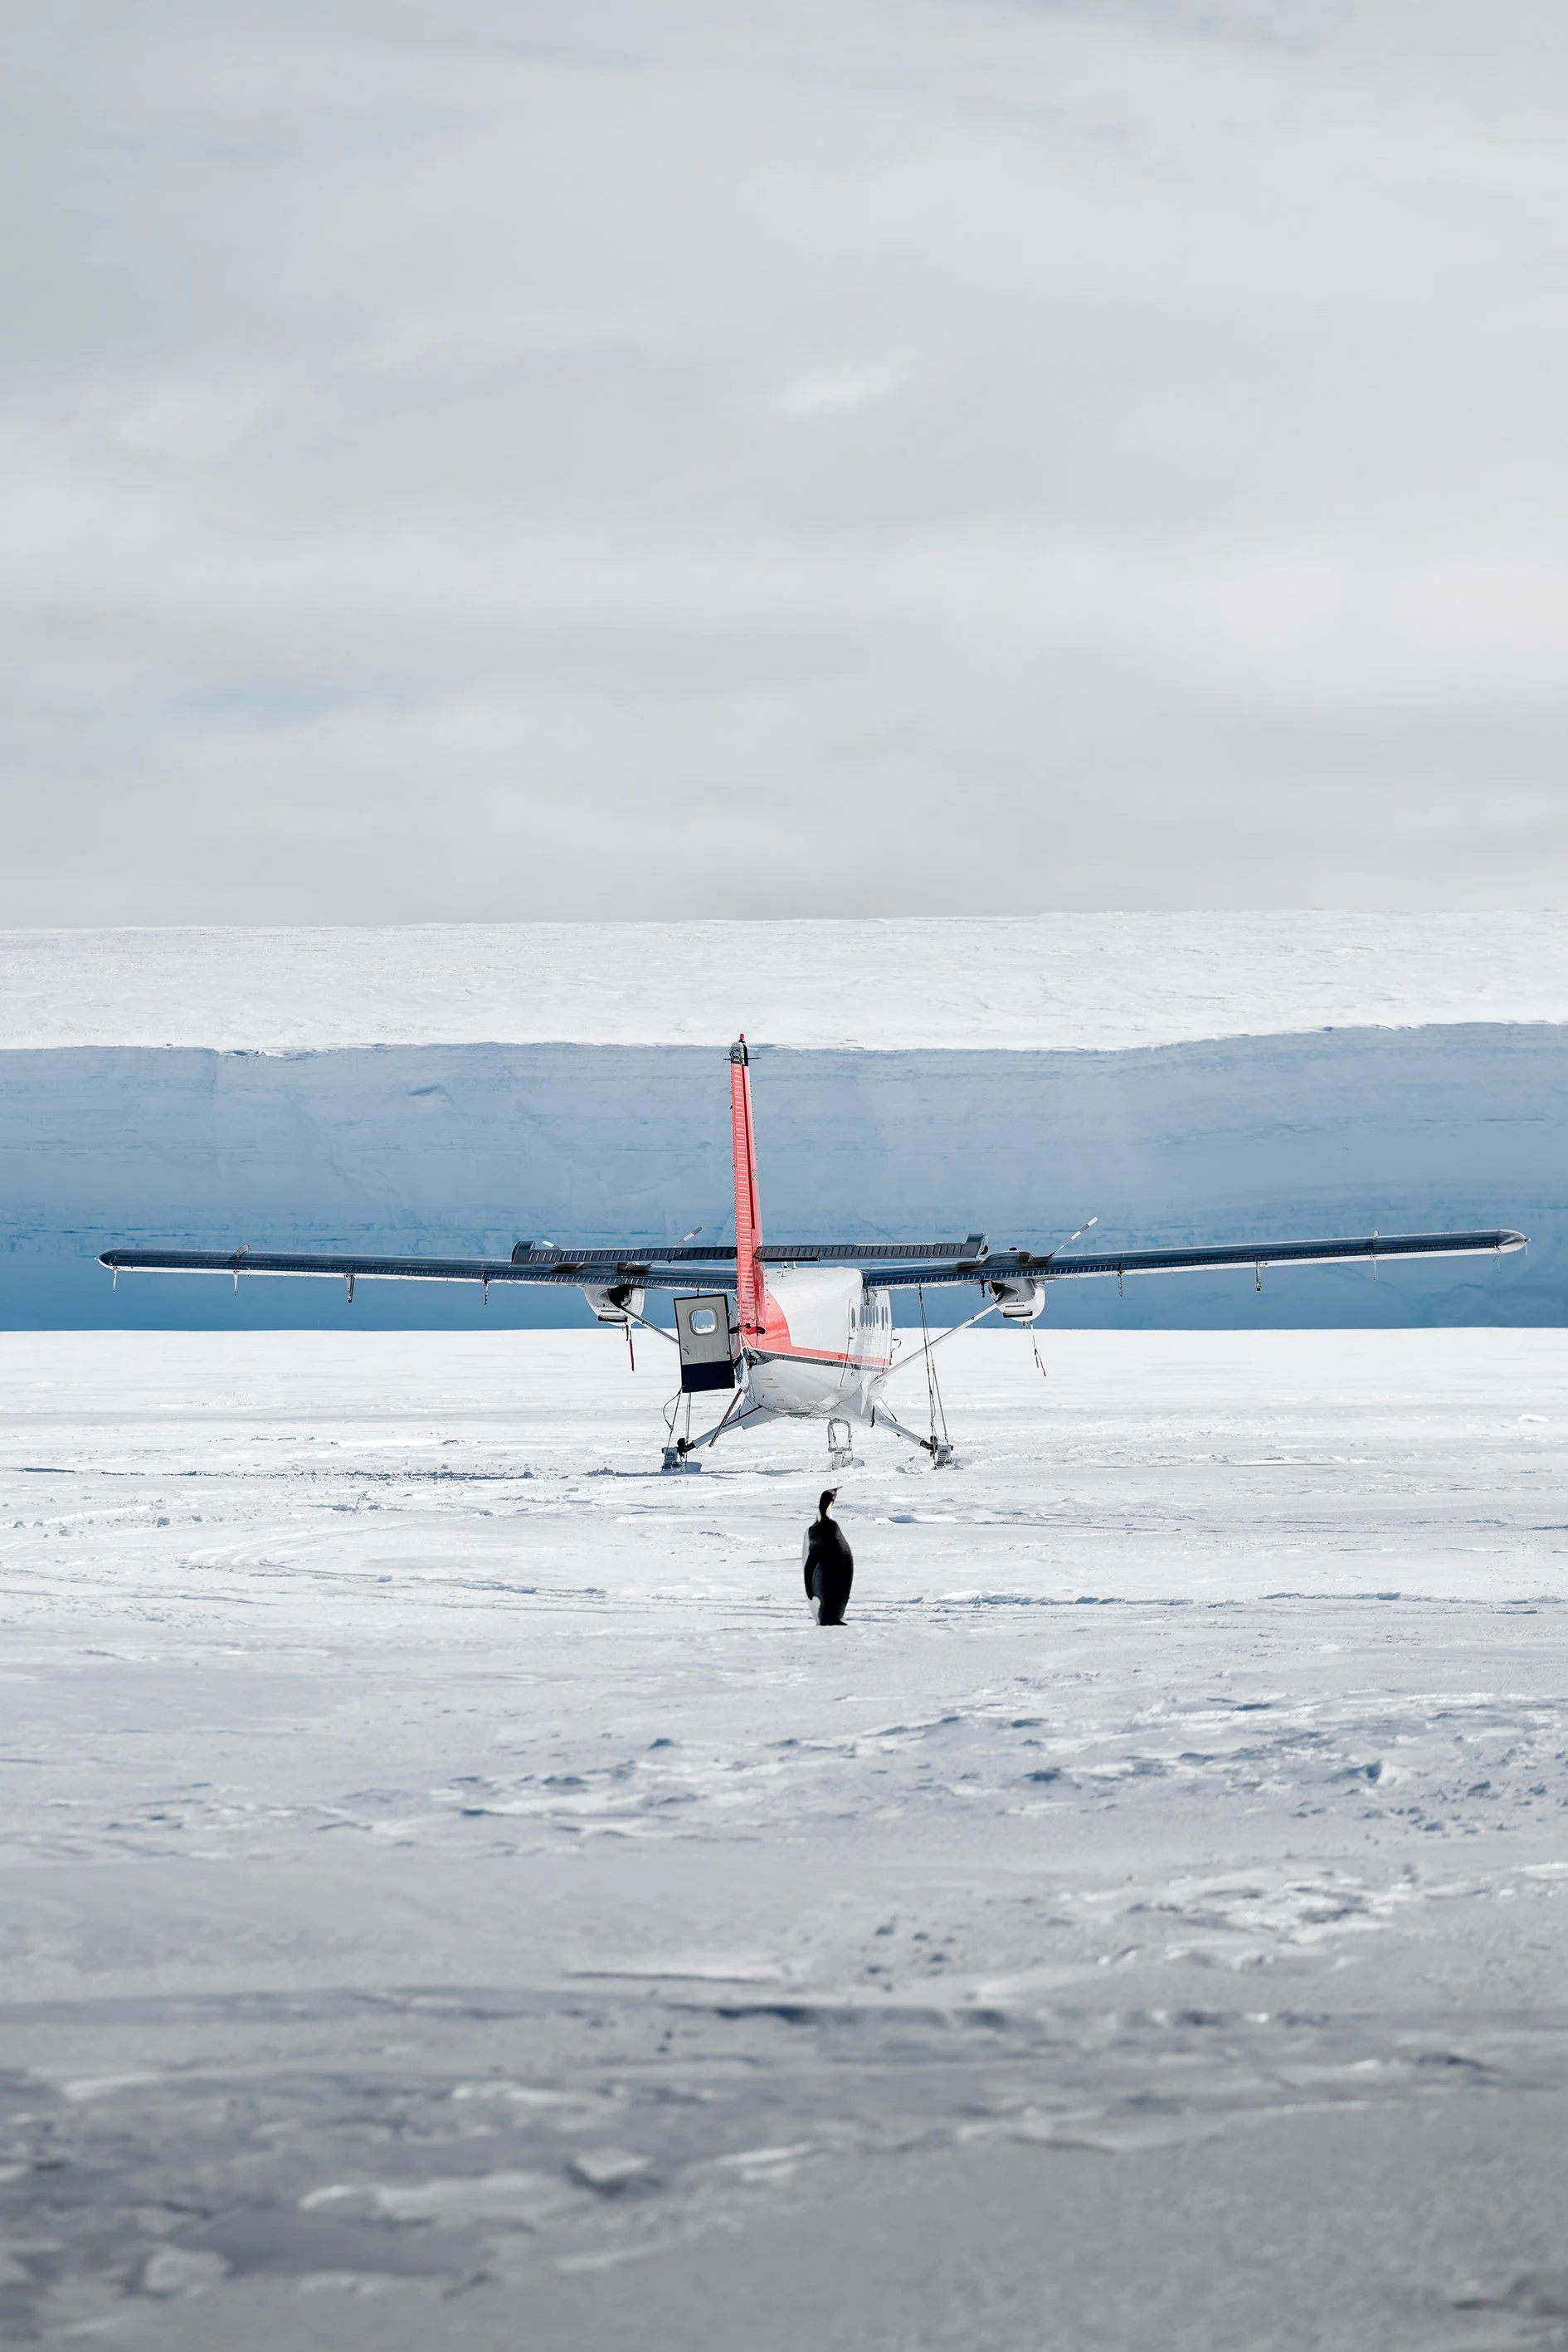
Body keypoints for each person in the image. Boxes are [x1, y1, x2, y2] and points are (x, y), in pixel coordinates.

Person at [802, 1488, 854, 1625]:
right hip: (826, 1602)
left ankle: (826, 1615)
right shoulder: (828, 1531)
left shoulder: (817, 1532)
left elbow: (810, 1567)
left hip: (821, 1604)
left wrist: (809, 1589)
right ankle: (832, 1614)